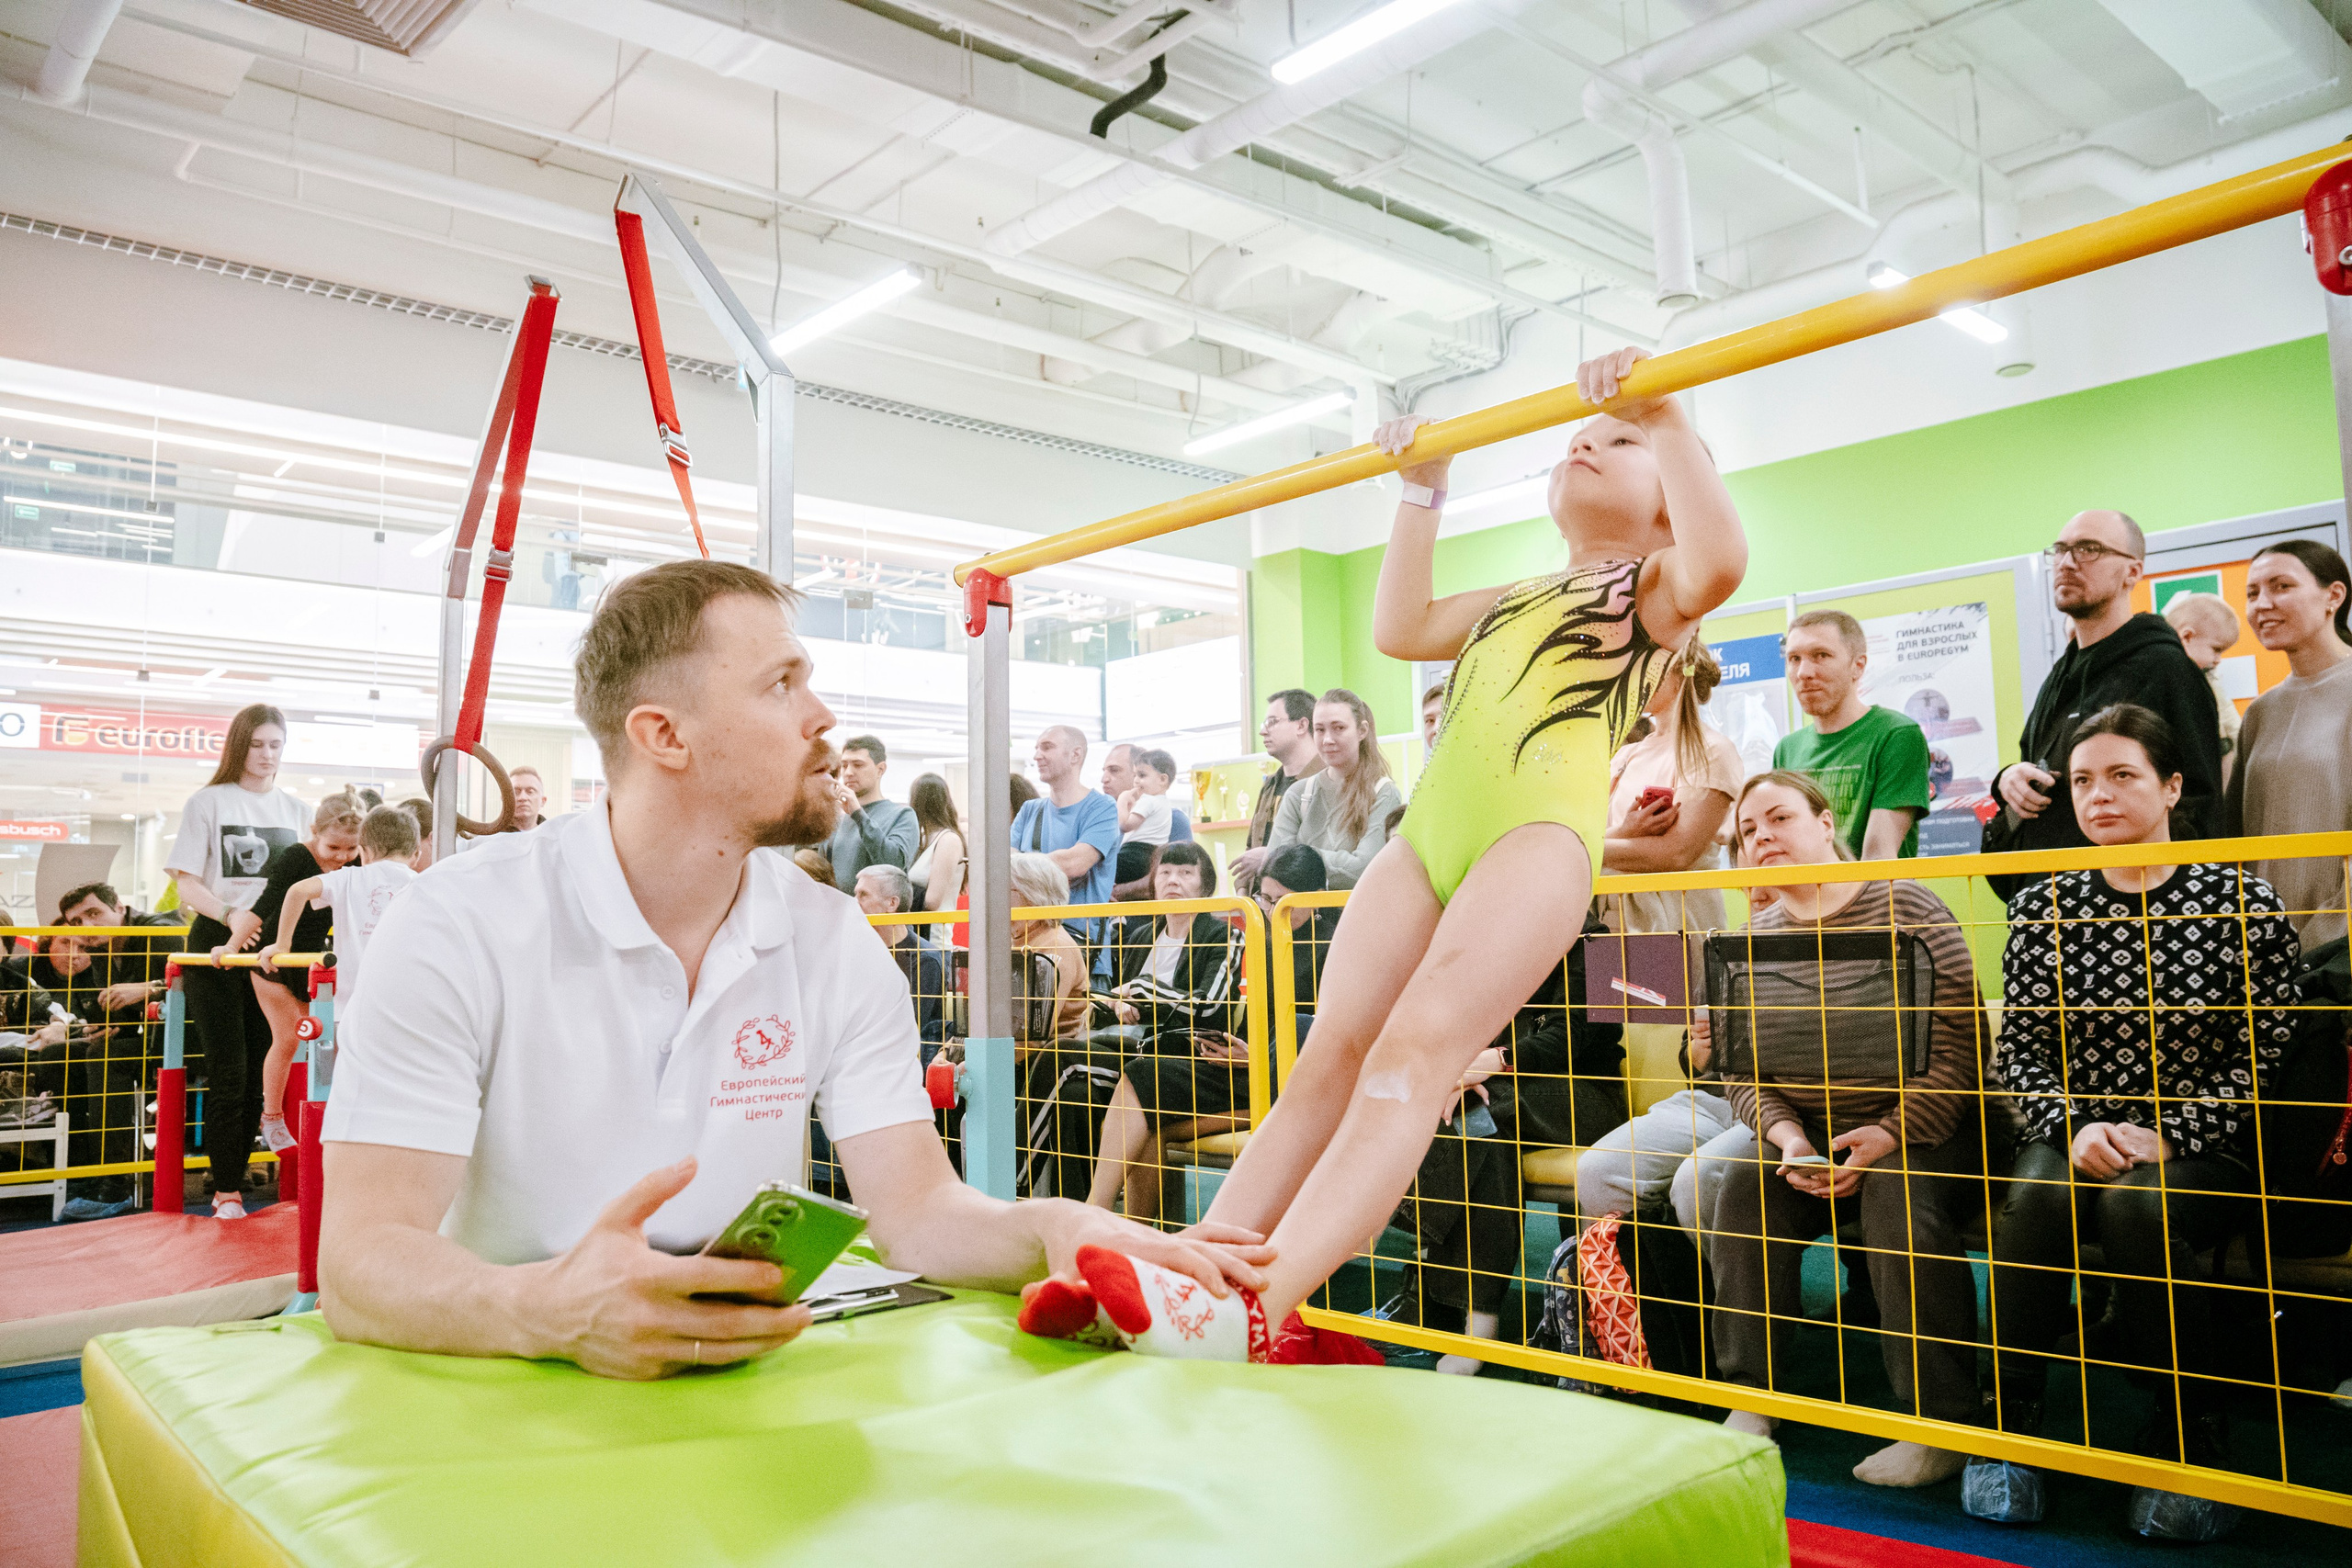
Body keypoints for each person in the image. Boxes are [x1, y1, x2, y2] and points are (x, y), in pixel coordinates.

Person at [318, 560, 1266, 1380]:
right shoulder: (458, 921)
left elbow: (918, 1211)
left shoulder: (831, 938)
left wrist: (1056, 1226)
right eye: (781, 685)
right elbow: (360, 1262)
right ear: (666, 737)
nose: (822, 717)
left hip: (742, 1384)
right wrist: (546, 1310)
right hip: (497, 1393)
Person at [1016, 346, 1747, 1361]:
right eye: (1580, 436)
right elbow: (1402, 626)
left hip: (1533, 843)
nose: (1585, 441)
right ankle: (1194, 1272)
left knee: (1412, 1060)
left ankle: (1260, 1302)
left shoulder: (1657, 592)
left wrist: (1664, 416)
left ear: (1668, 491)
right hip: (1427, 843)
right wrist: (1419, 494)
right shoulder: (1517, 596)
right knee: (1327, 1062)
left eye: (1614, 442)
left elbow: (1721, 563)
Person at [1972, 704, 2294, 1538]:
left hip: (2204, 1145)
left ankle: (2188, 1438)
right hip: (2074, 1131)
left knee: (2136, 1205)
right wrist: (2075, 1125)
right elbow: (2023, 1051)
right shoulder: (2044, 907)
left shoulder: (2242, 898)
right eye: (2083, 780)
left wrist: (2173, 1134)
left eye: (2122, 775)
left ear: (2172, 786)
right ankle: (2007, 1425)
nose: (2099, 796)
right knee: (2036, 1197)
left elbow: (2266, 1050)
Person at [1702, 771, 1989, 1488]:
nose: (1762, 836)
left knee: (1895, 1194)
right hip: (1812, 1132)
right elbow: (1741, 1072)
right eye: (1747, 831)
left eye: (1778, 818)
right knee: (1741, 1188)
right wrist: (1786, 1136)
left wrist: (1889, 1132)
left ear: (1826, 824)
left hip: (1927, 1126)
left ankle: (1940, 1420)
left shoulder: (1909, 904)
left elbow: (1963, 1045)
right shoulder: (1751, 936)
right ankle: (1752, 1397)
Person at [1986, 510, 2221, 898]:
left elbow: (2197, 802)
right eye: (2060, 550)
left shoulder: (2165, 668)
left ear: (2132, 572)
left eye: (2089, 549)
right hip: (2050, 908)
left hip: (2138, 912)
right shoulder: (2059, 675)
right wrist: (2009, 779)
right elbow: (2042, 766)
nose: (2066, 562)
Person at [164, 704, 311, 1220]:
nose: (267, 755)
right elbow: (186, 882)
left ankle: (241, 1176)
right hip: (218, 941)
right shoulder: (208, 801)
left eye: (276, 745)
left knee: (261, 1070)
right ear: (238, 746)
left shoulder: (298, 810)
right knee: (229, 1068)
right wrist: (231, 916)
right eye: (257, 744)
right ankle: (225, 1187)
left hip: (272, 947)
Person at [1081, 842, 1245, 1220]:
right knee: (1070, 1070)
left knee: (1141, 1080)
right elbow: (1118, 1002)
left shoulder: (1222, 935)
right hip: (1141, 1051)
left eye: (1186, 873)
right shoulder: (1141, 936)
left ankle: (1098, 1211)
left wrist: (1143, 989)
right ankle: (1074, 1206)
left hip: (1195, 1058)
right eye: (1166, 872)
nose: (1173, 880)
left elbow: (1209, 1006)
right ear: (1153, 882)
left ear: (1204, 887)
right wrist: (1116, 1005)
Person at [2222, 540, 2352, 950]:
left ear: (2333, 595)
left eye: (2281, 587)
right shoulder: (2262, 711)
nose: (2262, 605)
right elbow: (2241, 838)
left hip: (2336, 953)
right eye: (2252, 593)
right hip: (2268, 950)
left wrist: (2324, 939)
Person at [241, 791, 365, 1160]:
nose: (341, 857)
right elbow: (266, 903)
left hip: (312, 962)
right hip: (274, 960)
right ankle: (272, 1117)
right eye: (333, 847)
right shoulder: (297, 856)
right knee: (288, 1040)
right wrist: (230, 946)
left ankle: (336, 1116)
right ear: (314, 832)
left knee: (326, 1040)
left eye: (351, 849)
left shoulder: (352, 868)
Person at [258, 804, 421, 1083]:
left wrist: (282, 944)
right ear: (416, 855)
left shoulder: (349, 878)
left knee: (337, 1088)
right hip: (401, 1012)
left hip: (346, 1013)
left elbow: (298, 891)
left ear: (365, 851)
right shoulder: (422, 884)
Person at [1602, 638, 1744, 931]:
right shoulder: (1626, 754)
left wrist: (1585, 852)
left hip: (1673, 925)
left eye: (1642, 665)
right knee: (1609, 977)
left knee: (1673, 979)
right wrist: (1623, 833)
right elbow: (1591, 831)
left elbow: (1676, 853)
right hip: (1609, 923)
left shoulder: (1711, 750)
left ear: (1677, 670)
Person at [1770, 610, 1929, 860]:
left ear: (1858, 666)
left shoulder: (1896, 734)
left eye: (1820, 655)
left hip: (1875, 898)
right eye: (1794, 658)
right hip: (1811, 897)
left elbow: (1879, 856)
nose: (1804, 672)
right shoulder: (1787, 749)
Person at [1264, 689, 1404, 890]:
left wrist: (1300, 857)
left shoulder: (1384, 793)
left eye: (1338, 728)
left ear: (1362, 731)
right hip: (1304, 920)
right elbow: (1275, 868)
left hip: (1359, 918)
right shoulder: (1297, 794)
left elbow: (1365, 869)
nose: (1328, 739)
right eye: (1320, 730)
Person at [1012, 727, 1120, 967]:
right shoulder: (1030, 810)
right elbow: (1004, 869)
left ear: (1075, 755)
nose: (1037, 755)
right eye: (1037, 748)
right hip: (1028, 950)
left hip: (1085, 954)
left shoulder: (1102, 808)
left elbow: (1076, 863)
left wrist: (1021, 864)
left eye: (1047, 747)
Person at [853, 864, 950, 1062]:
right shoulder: (858, 951)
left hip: (905, 1064)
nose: (854, 902)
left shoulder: (924, 959)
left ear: (892, 903)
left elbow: (907, 1027)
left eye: (863, 895)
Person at [1229, 690, 1320, 892]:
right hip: (1260, 908)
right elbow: (1251, 846)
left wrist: (1270, 855)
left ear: (1301, 725)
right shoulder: (1270, 784)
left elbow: (1326, 851)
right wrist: (1243, 892)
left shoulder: (1326, 781)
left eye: (1272, 722)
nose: (1263, 731)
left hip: (1304, 906)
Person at [2162, 592, 2244, 785]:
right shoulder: (2171, 680)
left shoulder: (2208, 679)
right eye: (2216, 649)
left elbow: (2234, 728)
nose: (2218, 660)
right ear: (2187, 637)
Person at [821, 735, 917, 889]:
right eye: (844, 765)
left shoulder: (902, 815)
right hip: (838, 910)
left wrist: (858, 815)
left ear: (880, 769)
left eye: (858, 765)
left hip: (876, 912)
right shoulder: (838, 819)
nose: (848, 773)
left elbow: (895, 867)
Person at [905, 773, 966, 913]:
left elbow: (932, 902)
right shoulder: (922, 838)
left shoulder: (948, 841)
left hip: (932, 931)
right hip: (914, 929)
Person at [510, 765, 548, 831]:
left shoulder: (555, 836)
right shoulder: (492, 837)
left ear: (543, 801)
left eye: (530, 792)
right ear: (504, 800)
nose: (522, 798)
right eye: (515, 792)